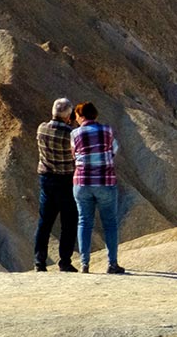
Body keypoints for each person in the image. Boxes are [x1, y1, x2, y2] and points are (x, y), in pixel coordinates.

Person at [70, 101, 127, 275]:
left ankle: (84, 264)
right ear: (95, 115)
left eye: (77, 117)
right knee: (110, 223)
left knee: (84, 222)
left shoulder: (75, 133)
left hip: (82, 182)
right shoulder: (107, 131)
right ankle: (112, 264)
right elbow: (115, 149)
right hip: (105, 181)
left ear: (81, 116)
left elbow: (74, 155)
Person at [33, 97, 79, 272]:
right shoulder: (71, 134)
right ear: (69, 116)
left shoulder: (42, 129)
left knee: (44, 222)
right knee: (68, 222)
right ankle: (65, 261)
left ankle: (39, 262)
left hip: (46, 179)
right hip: (66, 180)